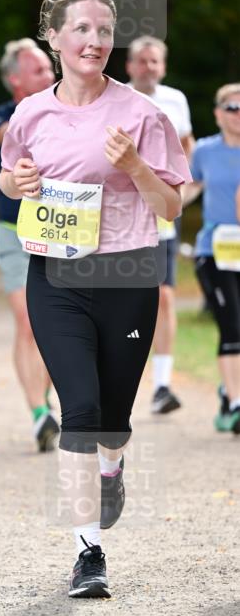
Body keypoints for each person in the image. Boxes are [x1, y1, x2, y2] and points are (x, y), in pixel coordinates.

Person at [0, 0, 191, 598]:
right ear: (53, 38)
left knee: (112, 421)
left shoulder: (143, 114)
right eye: (81, 29)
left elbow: (170, 205)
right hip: (55, 274)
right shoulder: (31, 113)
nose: (95, 41)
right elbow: (8, 176)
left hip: (127, 275)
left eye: (104, 30)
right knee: (78, 409)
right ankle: (89, 552)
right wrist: (17, 181)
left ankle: (112, 466)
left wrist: (134, 166)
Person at [0, 39, 59, 451]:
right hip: (15, 230)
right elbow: (10, 138)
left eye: (49, 68)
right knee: (28, 320)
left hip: (62, 229)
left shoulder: (72, 108)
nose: (49, 75)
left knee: (55, 323)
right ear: (15, 80)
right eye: (38, 71)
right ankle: (38, 414)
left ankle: (45, 398)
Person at [126, 36, 195, 414]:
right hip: (122, 211)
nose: (148, 67)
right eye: (142, 61)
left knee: (164, 296)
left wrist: (184, 188)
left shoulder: (176, 100)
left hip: (161, 210)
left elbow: (187, 144)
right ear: (130, 66)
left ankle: (162, 386)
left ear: (163, 66)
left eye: (154, 61)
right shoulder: (115, 98)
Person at [184, 83, 240, 432]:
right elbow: (189, 188)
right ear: (218, 114)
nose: (239, 115)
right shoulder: (204, 151)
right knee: (231, 324)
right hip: (215, 250)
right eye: (233, 108)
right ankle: (236, 404)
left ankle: (226, 391)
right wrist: (165, 205)